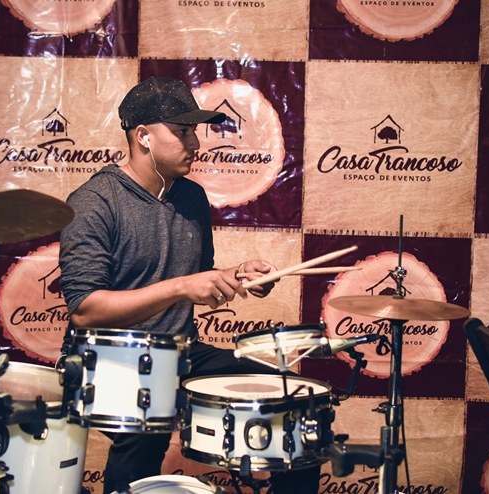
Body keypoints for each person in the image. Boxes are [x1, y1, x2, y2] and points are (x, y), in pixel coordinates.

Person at [59, 77, 319, 494]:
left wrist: (237, 276)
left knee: (288, 401)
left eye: (193, 131)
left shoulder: (192, 198)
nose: (195, 143)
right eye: (182, 132)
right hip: (105, 359)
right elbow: (86, 310)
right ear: (143, 137)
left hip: (178, 351)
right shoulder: (95, 202)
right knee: (145, 434)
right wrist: (181, 287)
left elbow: (197, 277)